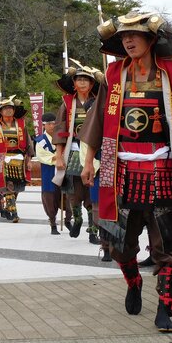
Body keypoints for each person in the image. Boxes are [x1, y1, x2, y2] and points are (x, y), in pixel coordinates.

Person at [79, 11, 172, 333]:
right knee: (118, 244)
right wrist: (89, 160)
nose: (128, 41)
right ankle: (133, 281)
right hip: (119, 166)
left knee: (170, 245)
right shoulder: (113, 76)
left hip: (164, 167)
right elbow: (97, 122)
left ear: (151, 40)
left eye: (135, 36)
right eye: (124, 37)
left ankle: (166, 309)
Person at [53, 63, 103, 243]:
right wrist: (59, 156)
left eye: (86, 80)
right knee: (73, 190)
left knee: (92, 190)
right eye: (79, 79)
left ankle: (93, 230)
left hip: (94, 150)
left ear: (91, 84)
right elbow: (59, 130)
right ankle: (77, 218)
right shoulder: (67, 103)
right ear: (74, 83)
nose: (82, 82)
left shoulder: (99, 101)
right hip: (73, 150)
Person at [0, 96, 34, 223]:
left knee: (17, 186)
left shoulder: (21, 123)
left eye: (10, 108)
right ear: (0, 111)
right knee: (7, 185)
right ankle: (13, 212)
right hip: (3, 158)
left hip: (19, 157)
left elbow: (28, 142)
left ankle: (9, 207)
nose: (8, 110)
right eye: (5, 108)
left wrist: (29, 159)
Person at [34, 112, 64, 234]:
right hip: (49, 171)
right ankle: (52, 222)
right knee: (50, 197)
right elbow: (42, 156)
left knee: (65, 195)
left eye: (54, 123)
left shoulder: (62, 137)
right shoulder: (41, 141)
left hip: (63, 170)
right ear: (44, 125)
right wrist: (58, 158)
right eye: (49, 124)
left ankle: (68, 219)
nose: (52, 126)